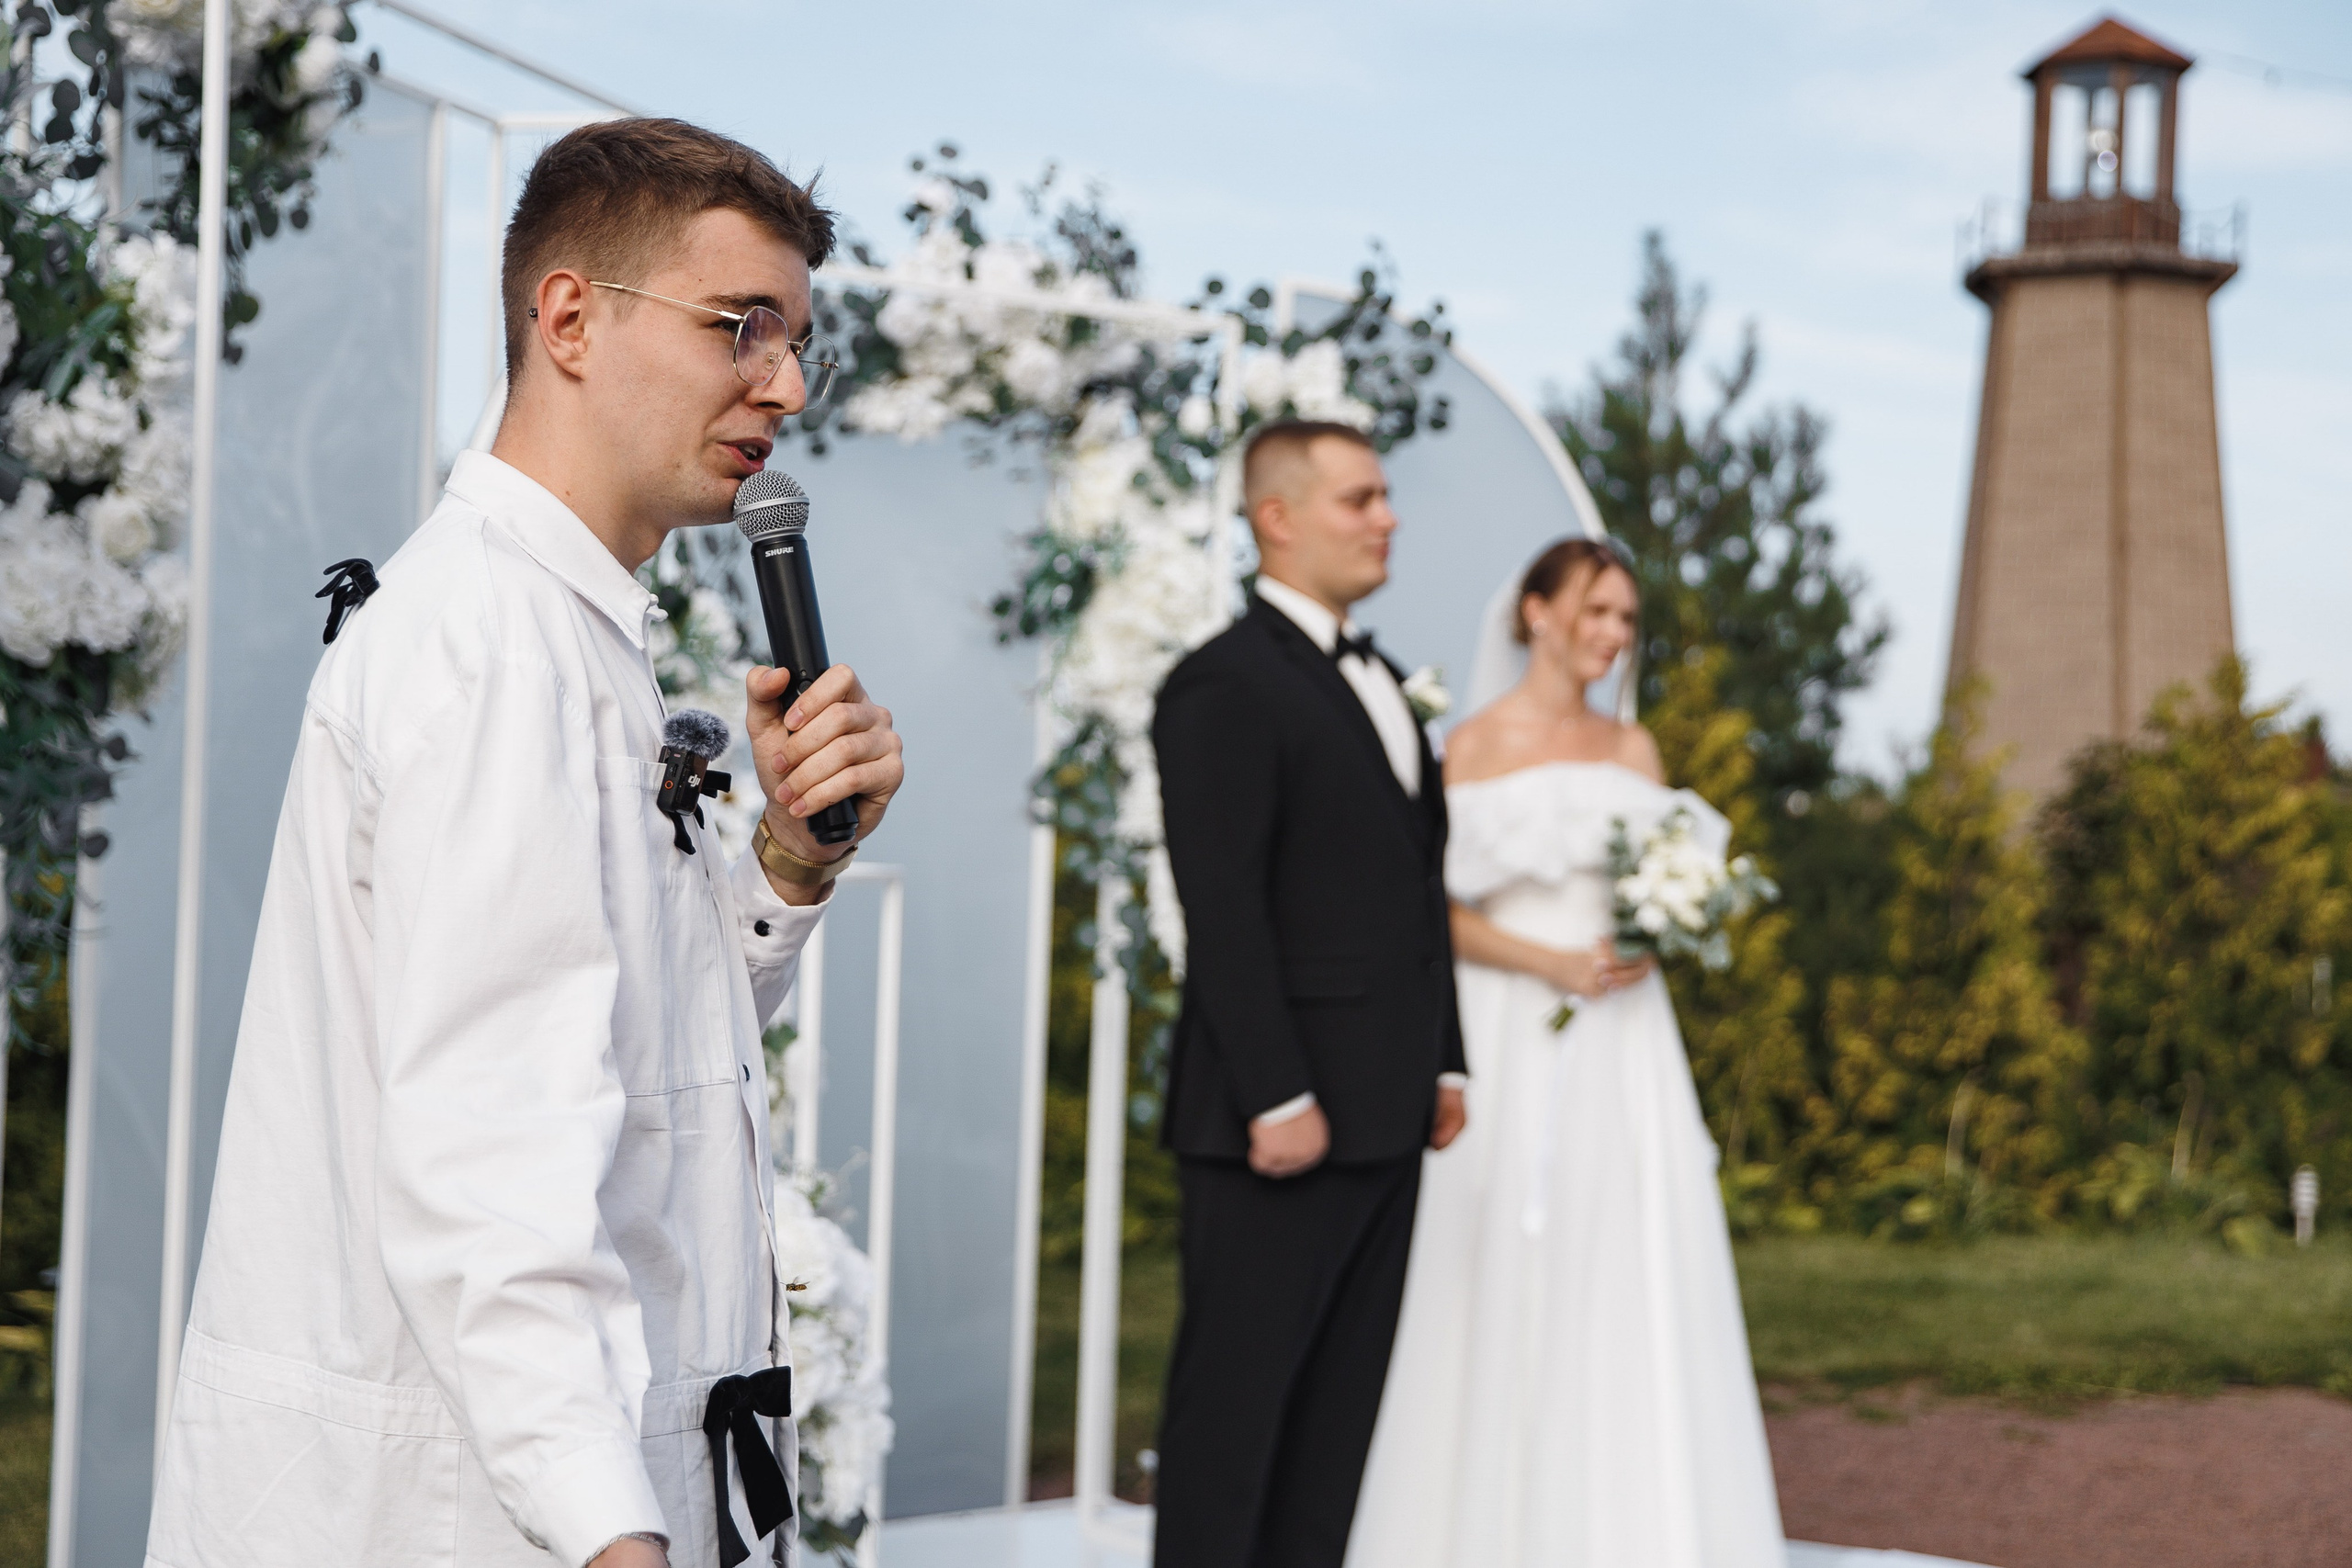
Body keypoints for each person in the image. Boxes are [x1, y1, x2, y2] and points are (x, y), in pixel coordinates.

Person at [144, 119, 905, 1568]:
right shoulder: (495, 649)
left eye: (800, 339)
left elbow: (618, 1051)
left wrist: (789, 868)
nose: (788, 385)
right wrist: (613, 1531)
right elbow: (491, 1165)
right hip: (480, 1514)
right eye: (742, 326)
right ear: (568, 318)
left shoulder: (568, 626)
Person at [1346, 537, 1788, 1568]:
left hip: (1623, 1040)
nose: (1613, 635)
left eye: (1626, 618)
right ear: (1535, 613)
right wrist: (1548, 962)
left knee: (1626, 1247)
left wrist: (1656, 930)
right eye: (1596, 610)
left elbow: (1656, 887)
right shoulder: (1468, 747)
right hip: (1507, 1022)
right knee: (1493, 1246)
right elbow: (1427, 910)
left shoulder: (1634, 752)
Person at [1149, 420, 1468, 1568]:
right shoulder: (1221, 684)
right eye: (1359, 499)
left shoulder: (1380, 680)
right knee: (1231, 1431)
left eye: (1384, 496)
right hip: (1276, 1126)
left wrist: (1445, 1057)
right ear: (1275, 518)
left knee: (1333, 1435)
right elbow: (1221, 907)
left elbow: (1417, 892)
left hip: (1387, 1111)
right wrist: (1277, 1096)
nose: (1387, 518)